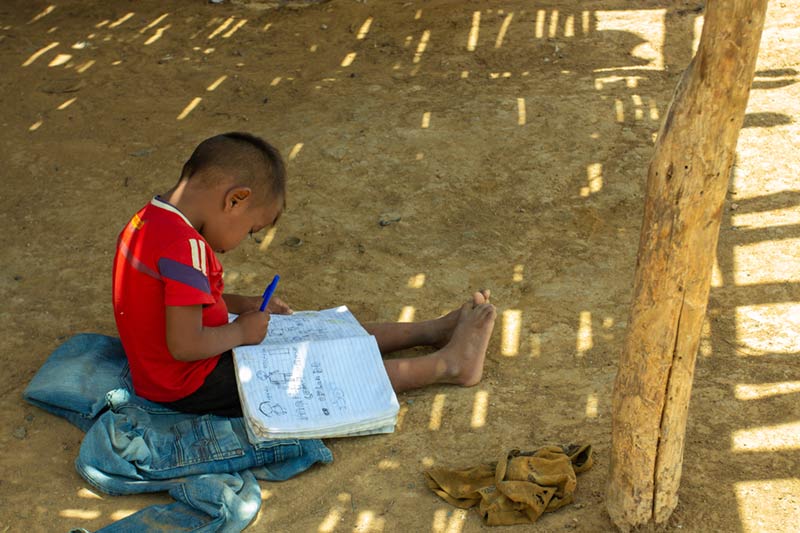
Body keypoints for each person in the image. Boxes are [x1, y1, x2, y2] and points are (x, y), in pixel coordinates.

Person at [112, 132, 497, 418]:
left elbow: (175, 301)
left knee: (313, 331)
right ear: (235, 200)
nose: (244, 240)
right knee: (315, 372)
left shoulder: (147, 222)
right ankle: (449, 365)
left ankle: (430, 331)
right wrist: (240, 332)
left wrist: (241, 306)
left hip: (170, 371)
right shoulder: (187, 248)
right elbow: (184, 344)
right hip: (190, 384)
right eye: (251, 230)